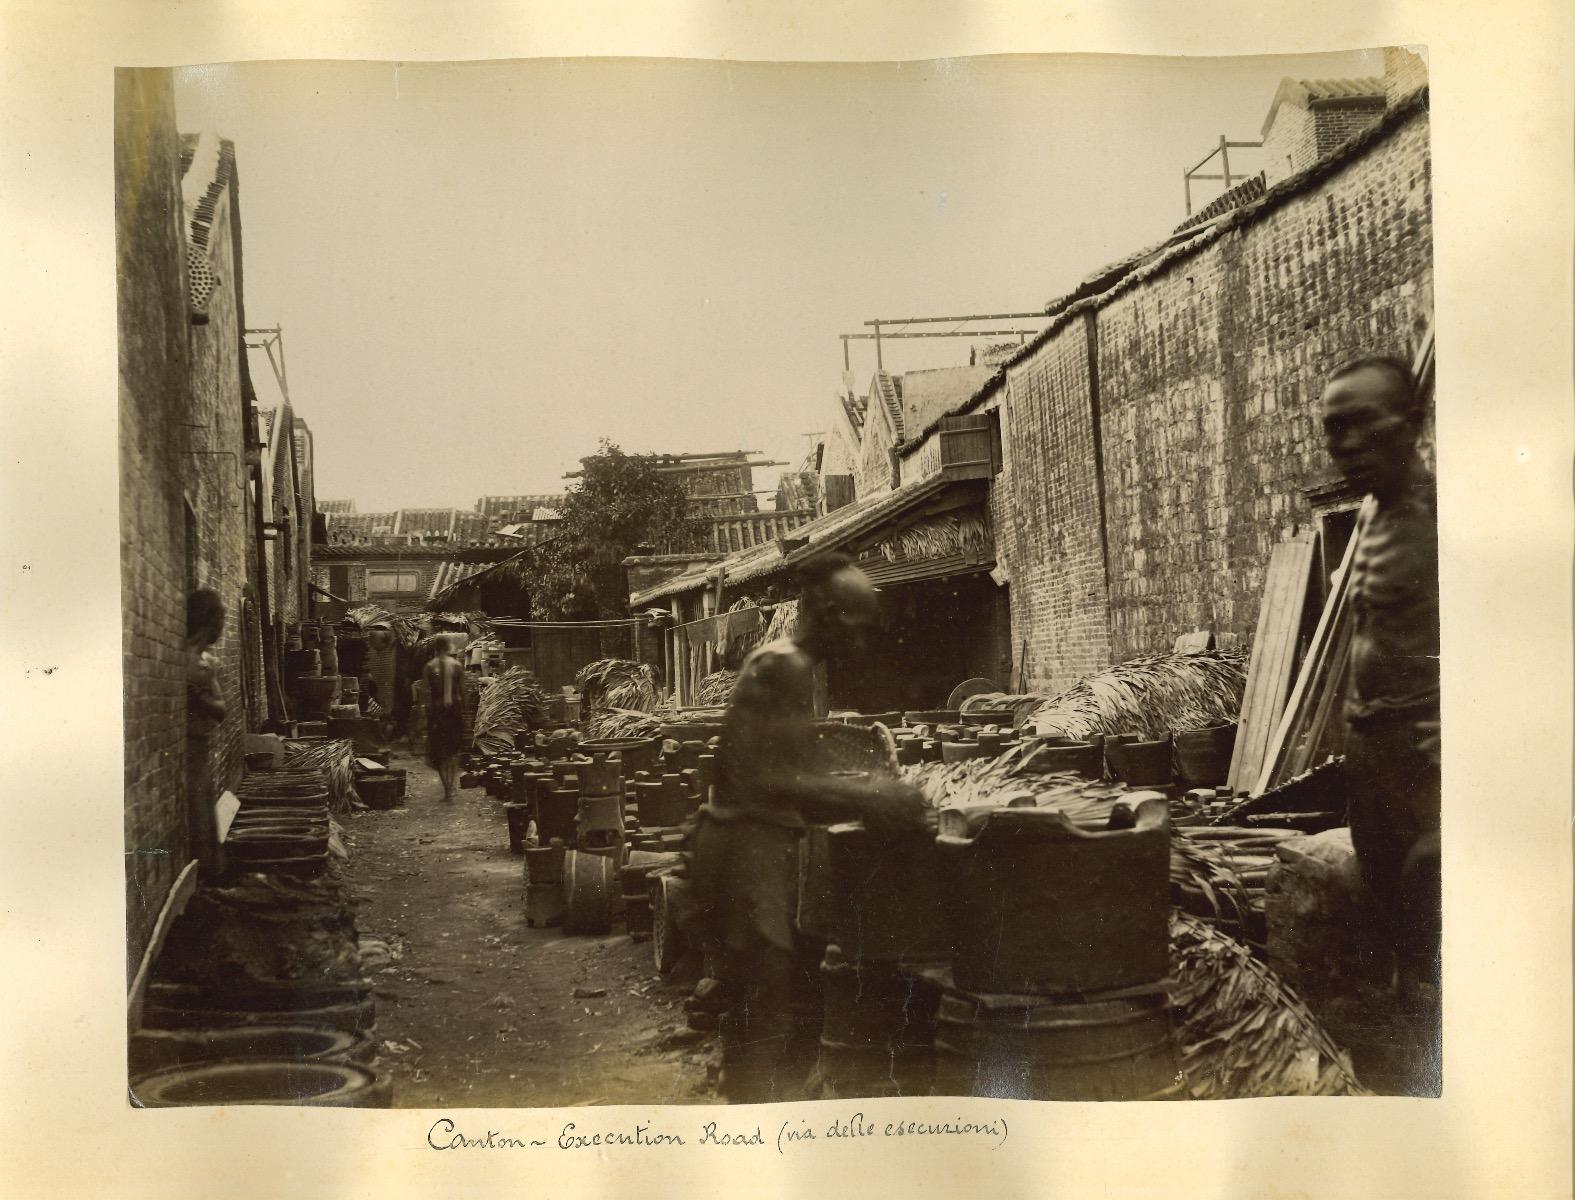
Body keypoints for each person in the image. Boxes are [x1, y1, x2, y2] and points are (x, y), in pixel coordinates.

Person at [690, 552, 930, 1104]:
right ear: (827, 611)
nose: (863, 642)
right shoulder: (786, 666)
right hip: (743, 852)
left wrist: (861, 793)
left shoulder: (786, 664)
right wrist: (872, 798)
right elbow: (768, 781)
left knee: (764, 1014)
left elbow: (785, 773)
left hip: (750, 847)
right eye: (859, 625)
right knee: (763, 1020)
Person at [1320, 354, 1440, 1072]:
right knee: (1386, 911)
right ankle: (1409, 1066)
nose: (1344, 444)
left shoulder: (1448, 517)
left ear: (1413, 424)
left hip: (1425, 750)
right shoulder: (1365, 513)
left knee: (1438, 893)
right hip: (1369, 749)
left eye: (1361, 423)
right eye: (1333, 429)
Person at [423, 635, 466, 802]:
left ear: (435, 648)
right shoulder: (457, 666)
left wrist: (425, 714)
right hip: (454, 711)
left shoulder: (428, 667)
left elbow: (425, 693)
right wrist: (464, 712)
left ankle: (447, 789)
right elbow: (463, 691)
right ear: (448, 648)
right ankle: (452, 783)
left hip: (436, 712)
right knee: (454, 750)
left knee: (438, 750)